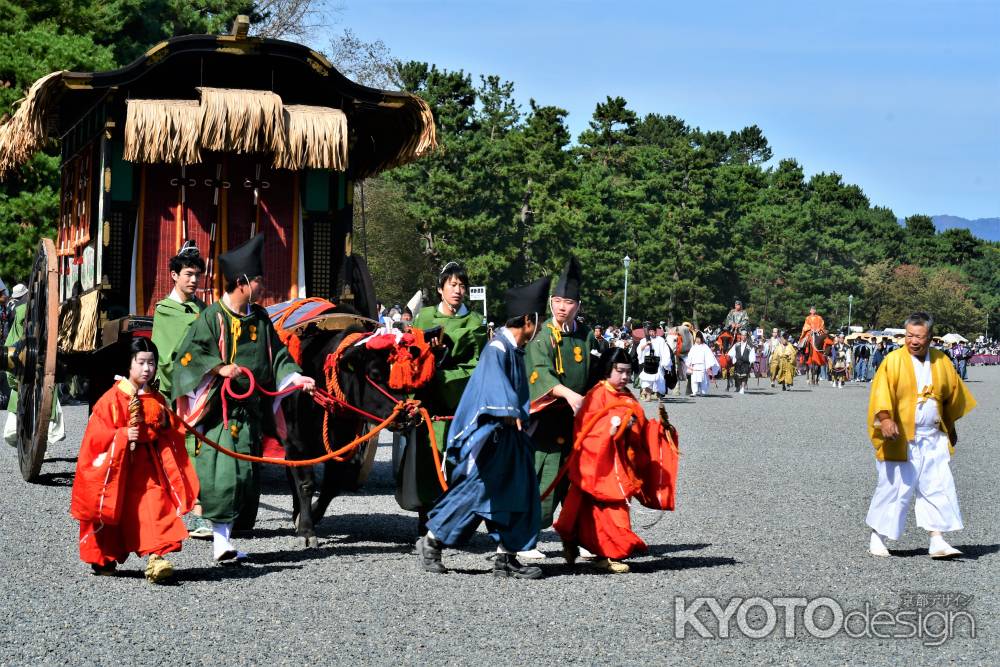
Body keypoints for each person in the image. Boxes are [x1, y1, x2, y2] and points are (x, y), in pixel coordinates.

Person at [172, 235, 315, 562]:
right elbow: (187, 357)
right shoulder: (212, 318)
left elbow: (278, 355)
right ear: (242, 282)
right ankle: (221, 543)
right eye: (259, 281)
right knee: (225, 474)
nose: (263, 287)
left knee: (247, 477)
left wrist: (296, 377)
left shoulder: (261, 318)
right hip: (220, 413)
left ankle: (227, 540)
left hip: (250, 413)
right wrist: (218, 368)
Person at [417, 277, 550, 579]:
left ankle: (507, 557)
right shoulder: (497, 349)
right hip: (488, 438)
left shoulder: (515, 349)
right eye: (539, 322)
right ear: (528, 321)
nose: (540, 329)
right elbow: (492, 390)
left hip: (509, 438)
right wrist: (509, 412)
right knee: (476, 493)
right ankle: (431, 542)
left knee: (519, 491)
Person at [70, 338, 200, 582]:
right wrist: (120, 435)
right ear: (128, 365)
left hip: (148, 469)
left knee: (156, 507)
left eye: (151, 363)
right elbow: (95, 439)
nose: (147, 369)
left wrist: (165, 424)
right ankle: (104, 558)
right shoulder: (110, 400)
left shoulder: (158, 399)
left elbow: (171, 430)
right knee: (111, 516)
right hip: (116, 470)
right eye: (141, 363)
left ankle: (156, 557)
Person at [554, 347, 679, 573]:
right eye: (620, 371)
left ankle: (597, 550)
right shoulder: (597, 395)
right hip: (600, 466)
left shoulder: (626, 395)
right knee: (606, 513)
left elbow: (639, 425)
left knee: (602, 514)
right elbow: (587, 431)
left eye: (628, 372)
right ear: (607, 370)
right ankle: (607, 553)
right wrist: (613, 429)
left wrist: (659, 431)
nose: (624, 377)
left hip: (621, 464)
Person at [864, 312, 976, 559]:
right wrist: (885, 419)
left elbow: (951, 397)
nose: (913, 341)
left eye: (919, 336)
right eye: (909, 336)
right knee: (895, 487)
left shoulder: (942, 361)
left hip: (933, 435)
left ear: (930, 338)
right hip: (901, 437)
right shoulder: (892, 361)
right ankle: (878, 536)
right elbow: (881, 392)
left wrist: (951, 428)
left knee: (937, 485)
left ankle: (937, 539)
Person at [405, 262, 486, 530]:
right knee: (425, 459)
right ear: (441, 289)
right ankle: (424, 517)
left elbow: (476, 367)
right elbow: (410, 356)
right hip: (425, 401)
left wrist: (442, 371)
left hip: (455, 403)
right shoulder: (424, 317)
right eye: (453, 285)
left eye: (462, 286)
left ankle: (450, 521)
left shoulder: (474, 322)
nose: (458, 291)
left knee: (454, 462)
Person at [523, 257, 595, 559]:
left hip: (578, 421)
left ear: (578, 305)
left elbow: (597, 373)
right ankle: (526, 541)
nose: (562, 307)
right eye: (557, 301)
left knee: (577, 481)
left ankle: (575, 537)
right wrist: (568, 394)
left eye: (568, 302)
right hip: (548, 418)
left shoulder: (586, 335)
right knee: (544, 478)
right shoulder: (541, 335)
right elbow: (539, 371)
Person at [151, 242, 211, 539]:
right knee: (186, 450)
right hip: (180, 392)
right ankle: (196, 512)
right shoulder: (166, 311)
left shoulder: (202, 309)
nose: (194, 280)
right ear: (173, 275)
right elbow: (167, 358)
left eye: (197, 275)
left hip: (207, 388)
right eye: (188, 274)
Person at [4, 283, 65, 446]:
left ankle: (24, 434)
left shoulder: (17, 312)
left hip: (24, 363)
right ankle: (46, 433)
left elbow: (11, 341)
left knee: (22, 395)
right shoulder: (31, 309)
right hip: (38, 361)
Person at [636, 321, 671, 401]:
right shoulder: (644, 340)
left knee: (659, 380)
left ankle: (658, 395)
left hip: (658, 363)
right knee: (647, 380)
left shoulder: (660, 340)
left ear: (656, 332)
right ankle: (648, 396)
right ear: (648, 332)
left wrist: (665, 362)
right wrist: (646, 345)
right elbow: (639, 350)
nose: (652, 333)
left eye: (653, 331)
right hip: (648, 363)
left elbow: (665, 351)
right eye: (650, 331)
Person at [685, 331, 719, 396]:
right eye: (697, 338)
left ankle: (703, 392)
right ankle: (694, 392)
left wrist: (709, 365)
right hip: (694, 366)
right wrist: (688, 363)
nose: (698, 340)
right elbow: (690, 356)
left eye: (699, 338)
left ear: (701, 339)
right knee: (694, 380)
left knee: (703, 379)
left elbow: (709, 356)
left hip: (702, 365)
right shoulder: (693, 347)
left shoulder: (705, 347)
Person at [727, 331, 756, 395]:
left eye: (745, 335)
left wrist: (752, 361)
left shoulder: (750, 346)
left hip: (746, 363)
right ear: (740, 336)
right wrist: (729, 356)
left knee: (744, 376)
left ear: (747, 336)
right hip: (738, 362)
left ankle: (742, 388)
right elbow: (731, 352)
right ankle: (740, 387)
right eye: (742, 335)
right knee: (738, 376)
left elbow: (752, 354)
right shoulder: (737, 344)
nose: (743, 337)